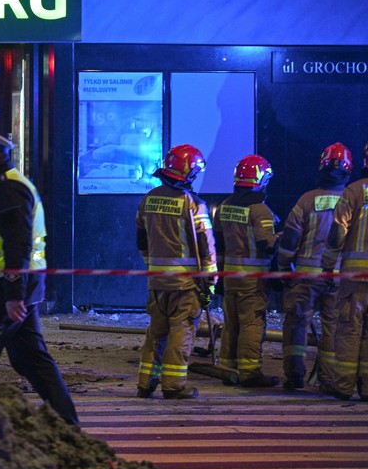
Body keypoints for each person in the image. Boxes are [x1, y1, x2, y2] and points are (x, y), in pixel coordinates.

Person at [0, 125, 78, 425]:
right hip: (9, 285)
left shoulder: (7, 188)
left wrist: (14, 295)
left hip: (5, 288)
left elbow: (18, 243)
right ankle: (67, 422)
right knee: (29, 358)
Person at [134, 144, 217, 399]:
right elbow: (206, 247)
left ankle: (145, 383)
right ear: (189, 173)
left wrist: (152, 266)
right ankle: (173, 385)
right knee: (181, 332)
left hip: (157, 282)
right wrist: (210, 283)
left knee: (156, 332)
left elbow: (141, 238)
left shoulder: (149, 199)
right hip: (185, 284)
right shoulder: (193, 204)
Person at [276, 143, 351, 391]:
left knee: (296, 324)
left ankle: (295, 376)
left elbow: (289, 238)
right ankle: (328, 379)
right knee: (334, 327)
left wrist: (284, 267)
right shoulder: (352, 200)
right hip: (339, 277)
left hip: (305, 276)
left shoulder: (307, 199)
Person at [212, 155, 280, 388]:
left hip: (230, 277)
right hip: (253, 280)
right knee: (251, 324)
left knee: (231, 323)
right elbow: (266, 244)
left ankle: (227, 369)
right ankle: (250, 372)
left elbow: (219, 245)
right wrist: (283, 238)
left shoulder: (224, 206)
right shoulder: (260, 210)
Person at [321, 142, 368, 401]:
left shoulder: (354, 191)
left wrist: (328, 265)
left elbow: (338, 231)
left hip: (354, 279)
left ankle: (343, 386)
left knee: (350, 330)